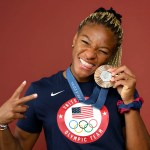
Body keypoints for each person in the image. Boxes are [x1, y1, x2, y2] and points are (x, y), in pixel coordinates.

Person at [0, 7, 150, 150]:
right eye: (85, 42)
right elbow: (18, 147)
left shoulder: (121, 89)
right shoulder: (41, 91)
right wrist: (1, 124)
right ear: (75, 39)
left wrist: (129, 101)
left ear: (111, 56)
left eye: (103, 50)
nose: (90, 54)